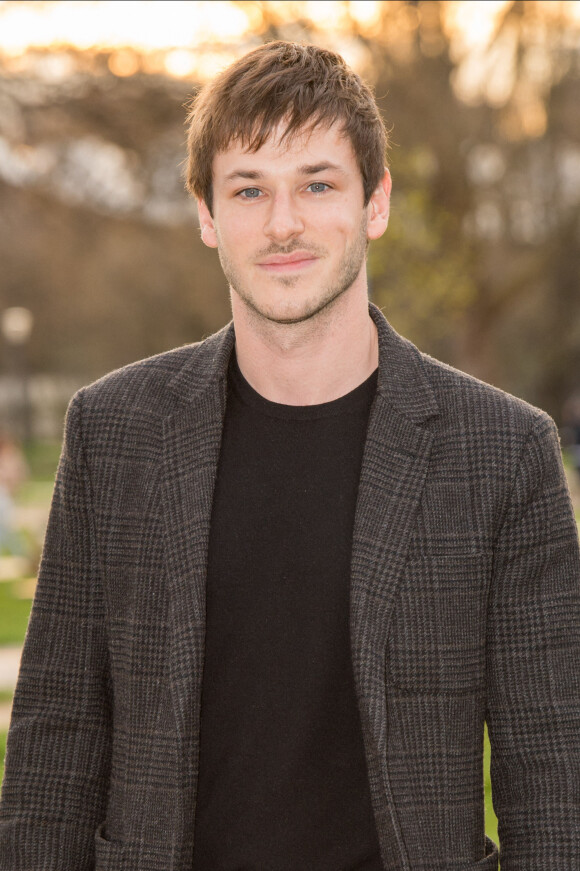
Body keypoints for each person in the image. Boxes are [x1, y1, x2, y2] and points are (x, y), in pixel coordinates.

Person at [0, 40, 578, 871]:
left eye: (317, 183)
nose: (283, 223)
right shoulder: (114, 431)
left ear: (375, 202)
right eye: (249, 189)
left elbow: (556, 784)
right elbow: (56, 748)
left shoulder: (503, 451)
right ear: (206, 213)